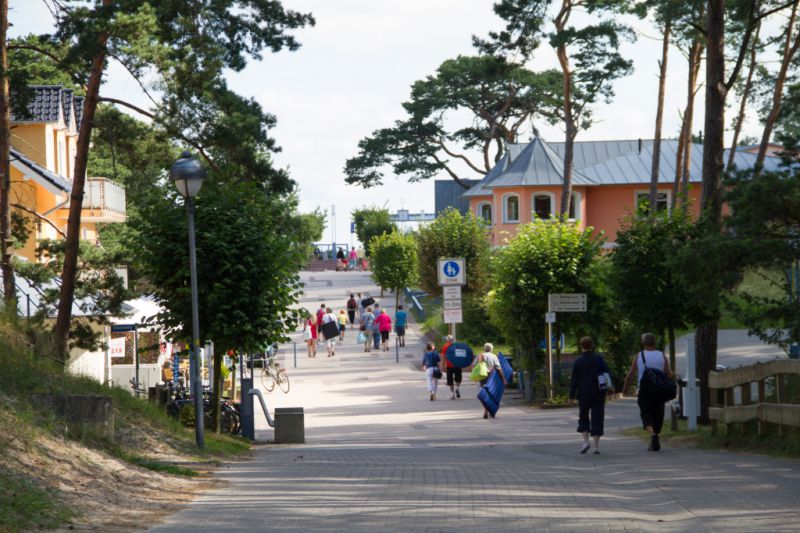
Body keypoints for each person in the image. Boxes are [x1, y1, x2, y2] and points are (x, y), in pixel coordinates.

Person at [623, 332, 674, 452]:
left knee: (646, 414)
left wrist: (625, 387)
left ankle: (653, 435)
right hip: (659, 391)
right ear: (654, 343)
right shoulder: (662, 355)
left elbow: (630, 374)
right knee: (658, 414)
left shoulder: (640, 355)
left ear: (643, 343)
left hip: (645, 390)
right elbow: (668, 373)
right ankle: (655, 436)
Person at [569, 337, 611, 455]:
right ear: (592, 346)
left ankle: (586, 441)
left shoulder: (578, 361)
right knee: (597, 417)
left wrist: (571, 396)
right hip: (598, 393)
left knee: (583, 416)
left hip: (583, 393)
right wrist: (608, 388)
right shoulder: (599, 359)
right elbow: (607, 373)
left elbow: (574, 380)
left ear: (581, 346)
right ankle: (596, 446)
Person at [478, 343, 506, 418]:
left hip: (482, 377)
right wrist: (503, 379)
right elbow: (499, 369)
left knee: (483, 394)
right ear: (491, 349)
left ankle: (486, 411)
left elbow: (474, 366)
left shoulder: (481, 355)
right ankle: (488, 411)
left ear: (484, 348)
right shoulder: (494, 356)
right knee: (490, 394)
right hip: (491, 378)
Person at [441, 335, 462, 400]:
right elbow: (461, 356)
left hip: (449, 366)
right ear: (453, 340)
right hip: (457, 365)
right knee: (458, 378)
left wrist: (443, 366)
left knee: (450, 380)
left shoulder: (445, 346)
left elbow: (443, 357)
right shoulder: (457, 345)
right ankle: (457, 388)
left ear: (447, 340)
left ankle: (452, 394)